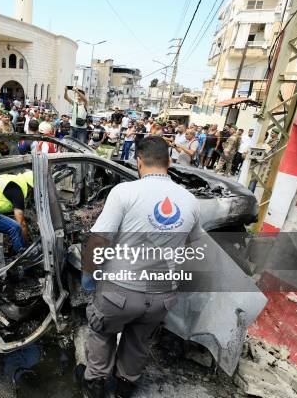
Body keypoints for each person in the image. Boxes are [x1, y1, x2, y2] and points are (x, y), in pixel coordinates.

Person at [78, 136, 201, 398]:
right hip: (162, 296)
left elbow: (99, 239)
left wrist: (89, 276)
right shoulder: (190, 200)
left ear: (138, 161)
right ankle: (125, 386)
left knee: (102, 334)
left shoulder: (125, 192)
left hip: (119, 293)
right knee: (139, 341)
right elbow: (191, 246)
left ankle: (96, 384)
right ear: (169, 161)